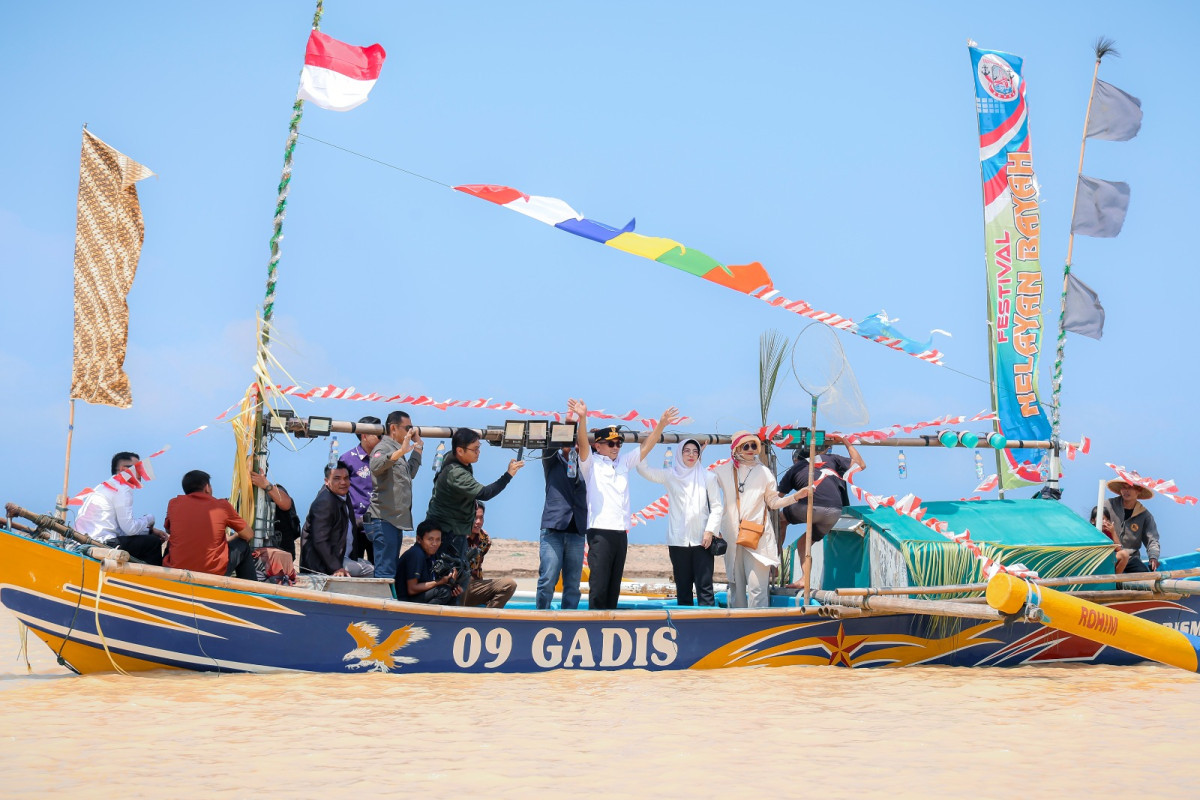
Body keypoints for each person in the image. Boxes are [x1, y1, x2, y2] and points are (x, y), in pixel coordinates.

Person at [567, 399, 676, 611]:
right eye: (611, 443)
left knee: (614, 586)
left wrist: (661, 425)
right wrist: (583, 418)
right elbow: (582, 443)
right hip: (600, 531)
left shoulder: (624, 462)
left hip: (620, 532)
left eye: (618, 443)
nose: (616, 447)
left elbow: (646, 448)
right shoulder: (591, 463)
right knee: (598, 587)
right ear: (598, 445)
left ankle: (610, 625)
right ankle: (595, 627)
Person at [711, 431, 811, 608]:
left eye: (754, 446)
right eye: (746, 446)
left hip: (757, 535)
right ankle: (739, 626)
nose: (750, 450)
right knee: (736, 587)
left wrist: (795, 497)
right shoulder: (721, 471)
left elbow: (773, 502)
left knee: (758, 587)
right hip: (731, 535)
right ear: (735, 449)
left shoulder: (764, 472)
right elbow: (702, 485)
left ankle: (756, 622)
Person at [426, 428, 524, 603]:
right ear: (460, 451)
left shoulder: (456, 460)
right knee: (452, 581)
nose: (479, 452)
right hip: (449, 534)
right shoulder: (456, 473)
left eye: (479, 448)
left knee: (459, 579)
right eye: (475, 449)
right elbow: (485, 493)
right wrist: (508, 475)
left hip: (454, 532)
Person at [637, 438, 723, 606]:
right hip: (678, 542)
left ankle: (709, 628)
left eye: (695, 451)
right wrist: (644, 444)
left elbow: (717, 507)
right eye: (687, 451)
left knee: (705, 588)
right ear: (679, 453)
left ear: (699, 455)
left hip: (703, 541)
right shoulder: (670, 475)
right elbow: (643, 470)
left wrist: (709, 531)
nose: (691, 455)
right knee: (683, 589)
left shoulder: (708, 477)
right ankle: (686, 631)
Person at [778, 438, 865, 587]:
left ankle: (775, 562)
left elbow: (776, 498)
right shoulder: (831, 460)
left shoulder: (795, 468)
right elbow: (860, 464)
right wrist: (846, 441)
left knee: (780, 519)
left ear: (796, 459)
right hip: (834, 511)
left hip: (812, 507)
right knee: (804, 543)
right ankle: (804, 579)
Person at [74, 451, 166, 565]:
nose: (142, 473)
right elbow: (130, 529)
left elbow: (121, 528)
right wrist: (149, 519)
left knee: (146, 538)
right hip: (102, 542)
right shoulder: (122, 488)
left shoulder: (103, 486)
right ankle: (154, 580)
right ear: (124, 470)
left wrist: (149, 530)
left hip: (84, 540)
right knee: (153, 543)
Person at [163, 470, 256, 580]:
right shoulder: (221, 505)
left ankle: (157, 578)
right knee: (243, 545)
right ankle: (251, 590)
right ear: (207, 487)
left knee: (171, 542)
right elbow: (248, 535)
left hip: (176, 570)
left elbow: (169, 530)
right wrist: (234, 536)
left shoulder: (173, 503)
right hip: (213, 572)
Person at [366, 410, 423, 585]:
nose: (410, 432)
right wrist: (401, 452)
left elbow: (410, 472)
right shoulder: (383, 448)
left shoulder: (398, 451)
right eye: (408, 428)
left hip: (394, 520)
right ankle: (382, 609)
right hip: (383, 520)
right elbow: (375, 466)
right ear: (393, 428)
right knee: (385, 571)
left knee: (390, 570)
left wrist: (418, 445)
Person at [536, 444, 589, 609]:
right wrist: (564, 431)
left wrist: (593, 439)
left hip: (577, 532)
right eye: (569, 442)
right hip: (553, 530)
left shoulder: (587, 466)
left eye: (577, 442)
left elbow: (597, 450)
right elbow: (548, 447)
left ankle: (569, 622)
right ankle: (540, 617)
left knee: (573, 585)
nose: (574, 446)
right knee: (547, 580)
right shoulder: (553, 461)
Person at [301, 462, 374, 577]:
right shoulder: (325, 502)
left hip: (341, 557)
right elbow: (320, 540)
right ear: (326, 481)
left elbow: (344, 522)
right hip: (324, 564)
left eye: (346, 478)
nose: (343, 482)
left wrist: (367, 521)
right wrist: (336, 568)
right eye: (337, 478)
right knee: (372, 571)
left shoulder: (343, 496)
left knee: (369, 563)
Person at [463, 502, 518, 608]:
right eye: (474, 518)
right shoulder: (455, 537)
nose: (478, 522)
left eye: (481, 518)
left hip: (474, 586)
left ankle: (488, 618)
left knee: (509, 584)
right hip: (455, 587)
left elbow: (477, 567)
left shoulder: (484, 539)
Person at [1100, 479, 1161, 573]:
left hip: (1130, 558)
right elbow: (1093, 524)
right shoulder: (1107, 505)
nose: (1126, 490)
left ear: (1138, 491)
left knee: (1144, 575)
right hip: (1107, 555)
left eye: (1130, 488)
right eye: (1124, 487)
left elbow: (1152, 539)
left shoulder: (1145, 515)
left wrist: (1153, 557)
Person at [397, 520, 460, 604]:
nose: (435, 543)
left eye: (438, 540)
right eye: (430, 539)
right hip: (405, 601)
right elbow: (412, 589)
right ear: (419, 539)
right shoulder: (416, 554)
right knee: (444, 592)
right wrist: (440, 582)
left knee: (452, 594)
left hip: (419, 597)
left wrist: (450, 582)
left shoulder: (432, 554)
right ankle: (423, 617)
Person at [249, 471, 300, 557]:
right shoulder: (242, 496)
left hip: (281, 551)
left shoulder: (276, 490)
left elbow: (286, 504)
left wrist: (266, 485)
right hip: (253, 553)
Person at [342, 415, 382, 525]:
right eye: (378, 434)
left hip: (382, 523)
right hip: (356, 523)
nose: (381, 437)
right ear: (364, 436)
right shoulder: (347, 459)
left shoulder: (385, 458)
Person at [1090, 506, 1134, 574]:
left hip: (1108, 559)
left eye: (1107, 519)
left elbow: (1119, 550)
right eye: (1102, 519)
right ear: (1093, 520)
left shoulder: (1108, 532)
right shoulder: (1090, 532)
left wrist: (1113, 533)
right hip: (1095, 560)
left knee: (1125, 555)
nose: (1105, 522)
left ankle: (1115, 581)